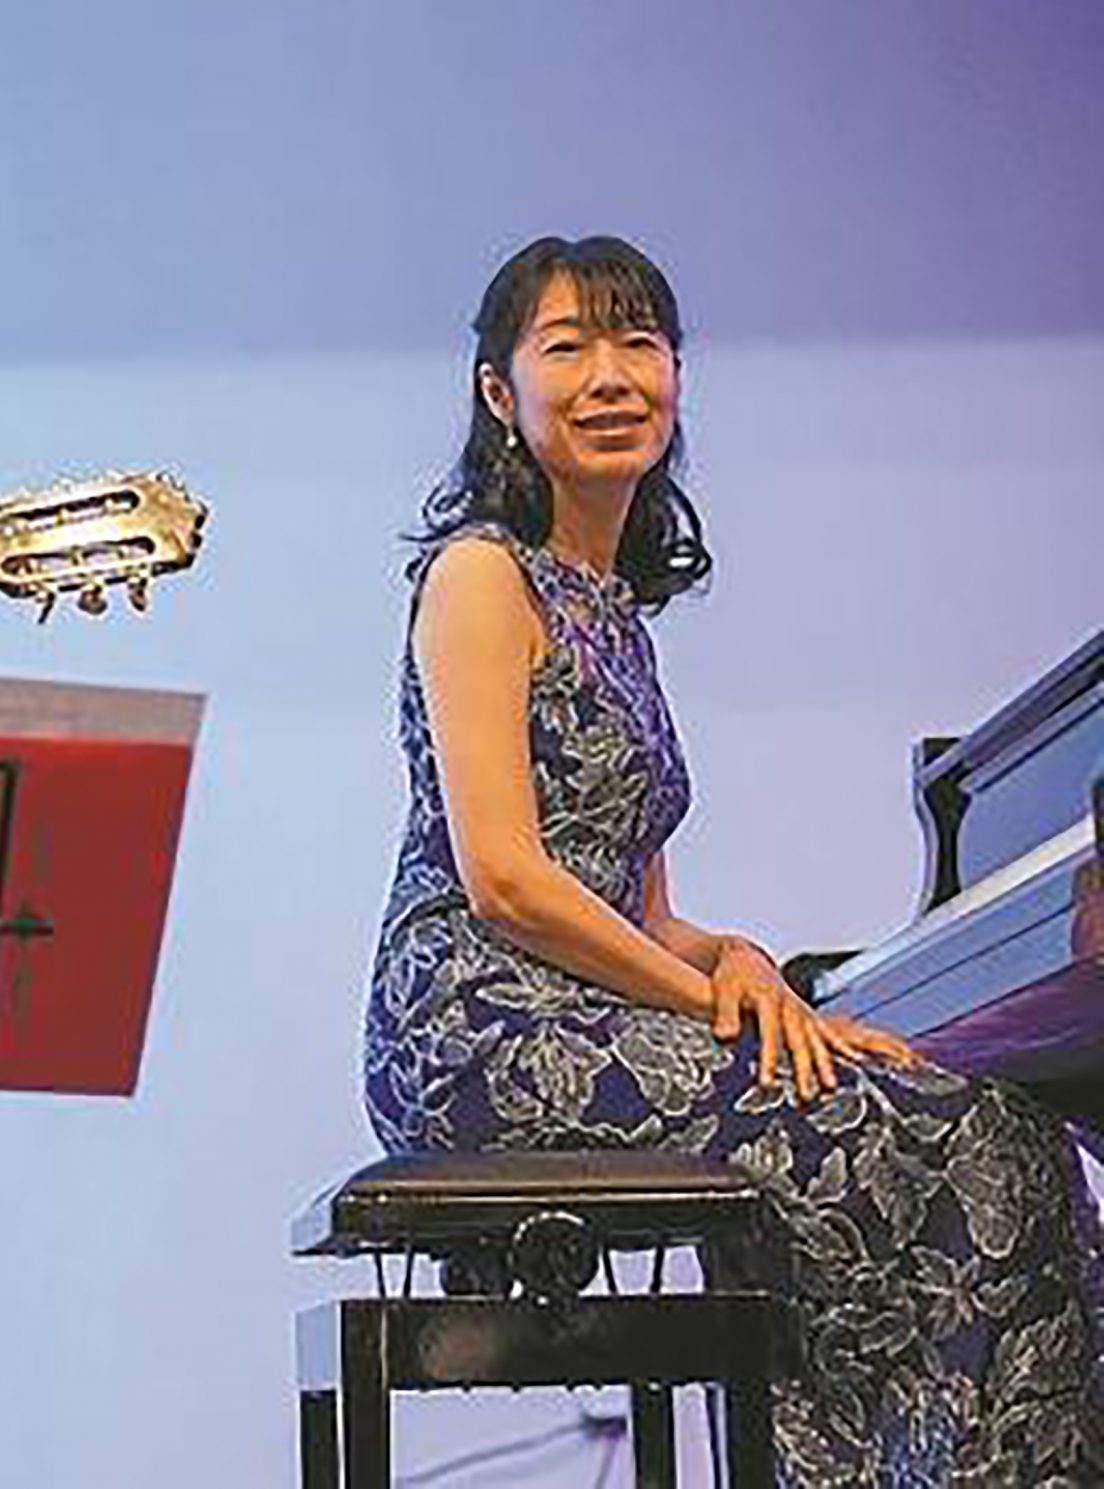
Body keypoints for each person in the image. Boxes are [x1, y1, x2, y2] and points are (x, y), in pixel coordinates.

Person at [365, 234, 1104, 1481]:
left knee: (999, 1131)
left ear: (676, 376)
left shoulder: (613, 610)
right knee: (952, 1139)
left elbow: (641, 909)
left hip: (586, 1008)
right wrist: (723, 1003)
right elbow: (504, 878)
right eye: (568, 346)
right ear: (499, 390)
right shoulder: (479, 577)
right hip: (472, 1028)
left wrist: (744, 961)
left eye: (639, 344)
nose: (611, 376)